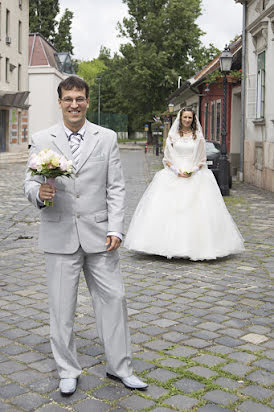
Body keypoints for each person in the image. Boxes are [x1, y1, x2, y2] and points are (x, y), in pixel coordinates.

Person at [24, 76, 147, 395]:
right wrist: (41, 192)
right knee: (61, 307)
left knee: (114, 299)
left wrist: (116, 227)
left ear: (87, 102)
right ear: (60, 102)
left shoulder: (106, 138)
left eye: (80, 98)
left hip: (100, 236)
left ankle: (120, 367)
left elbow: (116, 186)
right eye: (68, 99)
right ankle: (67, 369)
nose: (74, 104)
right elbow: (29, 182)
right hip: (59, 234)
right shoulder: (41, 139)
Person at [124, 107, 245, 260]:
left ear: (193, 119)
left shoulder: (198, 137)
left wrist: (192, 171)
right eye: (185, 117)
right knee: (169, 210)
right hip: (174, 173)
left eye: (190, 118)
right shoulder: (173, 135)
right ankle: (164, 245)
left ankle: (197, 247)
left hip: (195, 175)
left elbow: (202, 159)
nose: (187, 120)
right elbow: (166, 158)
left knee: (197, 212)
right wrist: (176, 171)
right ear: (180, 119)